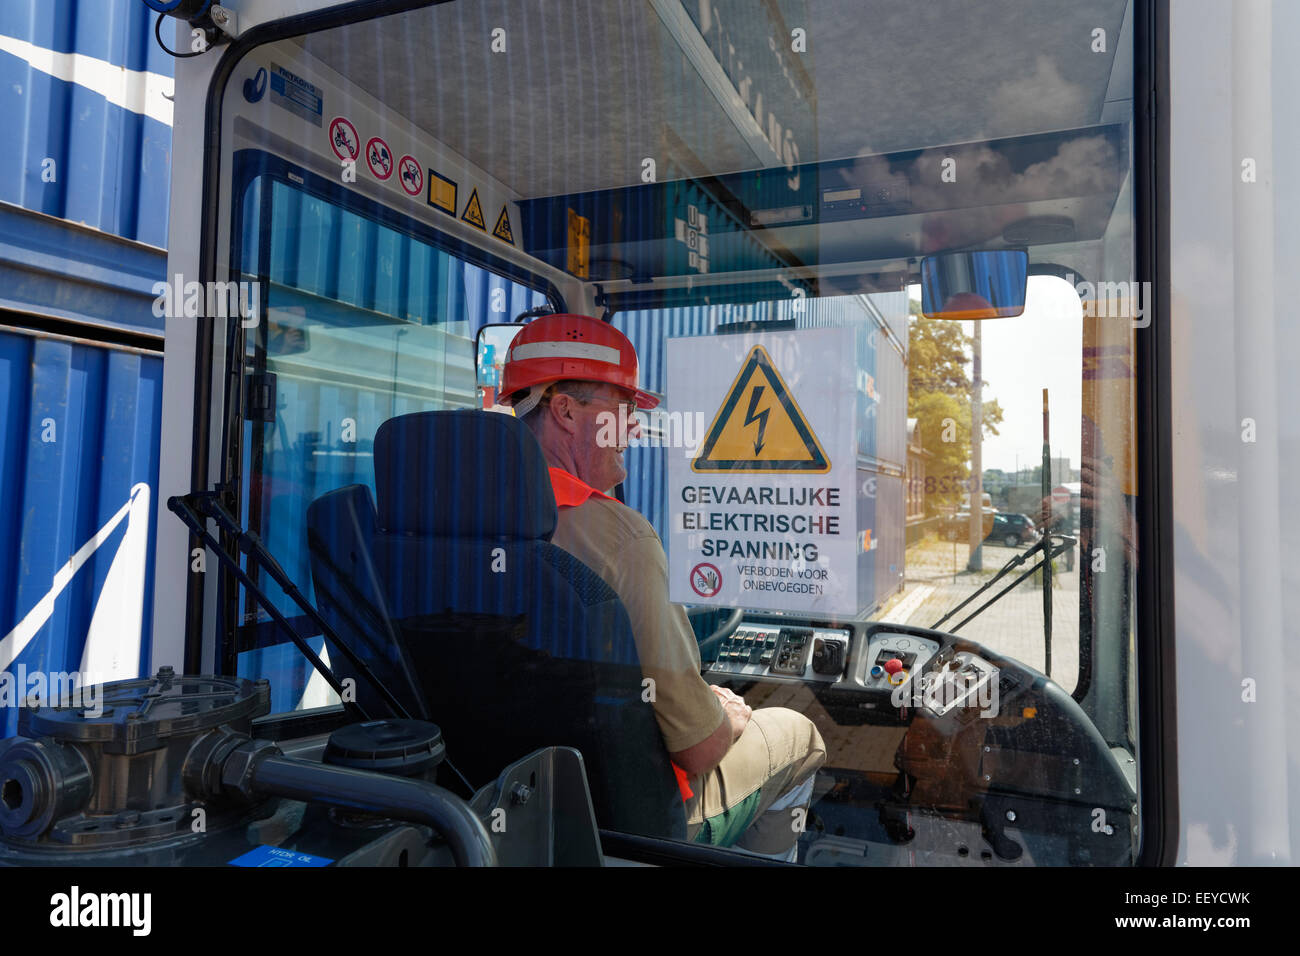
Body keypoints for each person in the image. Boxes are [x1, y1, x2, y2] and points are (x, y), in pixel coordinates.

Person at [500, 313, 826, 861]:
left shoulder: (454, 525)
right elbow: (699, 748)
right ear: (564, 410)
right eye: (623, 409)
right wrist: (729, 716)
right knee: (798, 734)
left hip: (498, 795)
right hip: (628, 817)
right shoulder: (620, 538)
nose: (633, 428)